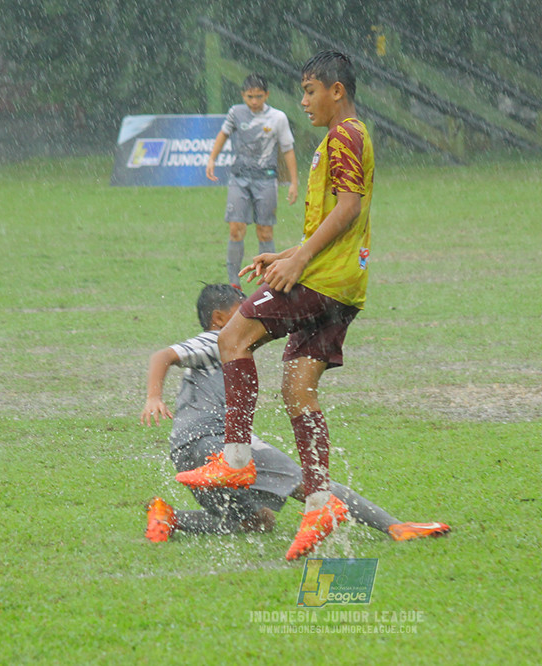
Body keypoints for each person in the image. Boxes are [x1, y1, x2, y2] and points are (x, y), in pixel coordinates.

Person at [178, 51, 375, 561]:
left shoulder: (346, 135)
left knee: (232, 338)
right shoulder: (344, 137)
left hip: (323, 279)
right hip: (343, 286)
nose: (303, 101)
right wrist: (286, 252)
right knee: (298, 391)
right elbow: (333, 221)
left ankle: (238, 458)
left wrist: (300, 259)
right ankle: (318, 501)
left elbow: (350, 208)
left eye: (310, 91)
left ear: (337, 90)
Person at [140, 283, 450, 545]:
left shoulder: (229, 346)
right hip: (213, 442)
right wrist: (154, 397)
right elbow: (163, 355)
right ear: (219, 319)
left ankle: (170, 516)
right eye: (242, 312)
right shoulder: (216, 340)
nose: (251, 319)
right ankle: (395, 526)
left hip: (185, 452)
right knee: (308, 483)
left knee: (257, 522)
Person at [206, 73, 299, 288]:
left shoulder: (278, 118)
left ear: (266, 95)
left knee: (264, 230)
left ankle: (269, 282)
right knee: (235, 228)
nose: (254, 101)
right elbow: (223, 135)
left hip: (266, 180)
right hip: (239, 179)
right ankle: (233, 283)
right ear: (243, 95)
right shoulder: (236, 113)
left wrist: (293, 182)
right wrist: (212, 159)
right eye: (250, 96)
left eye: (259, 96)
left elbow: (287, 149)